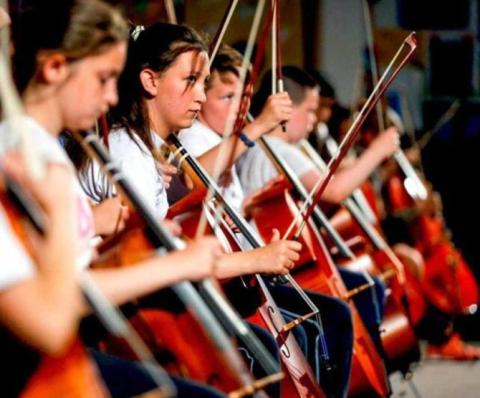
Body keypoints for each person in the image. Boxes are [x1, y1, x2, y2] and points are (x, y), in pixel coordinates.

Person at [6, 1, 227, 396]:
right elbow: (55, 311)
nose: (112, 97)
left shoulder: (49, 151)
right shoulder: (22, 156)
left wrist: (104, 228)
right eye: (104, 78)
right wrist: (173, 265)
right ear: (55, 68)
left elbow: (72, 274)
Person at [178, 45, 356, 397]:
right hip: (224, 273)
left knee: (327, 317)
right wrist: (257, 126)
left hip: (245, 263)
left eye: (244, 97)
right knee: (320, 322)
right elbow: (193, 180)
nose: (240, 108)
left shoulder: (218, 139)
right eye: (228, 97)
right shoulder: (197, 138)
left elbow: (229, 205)